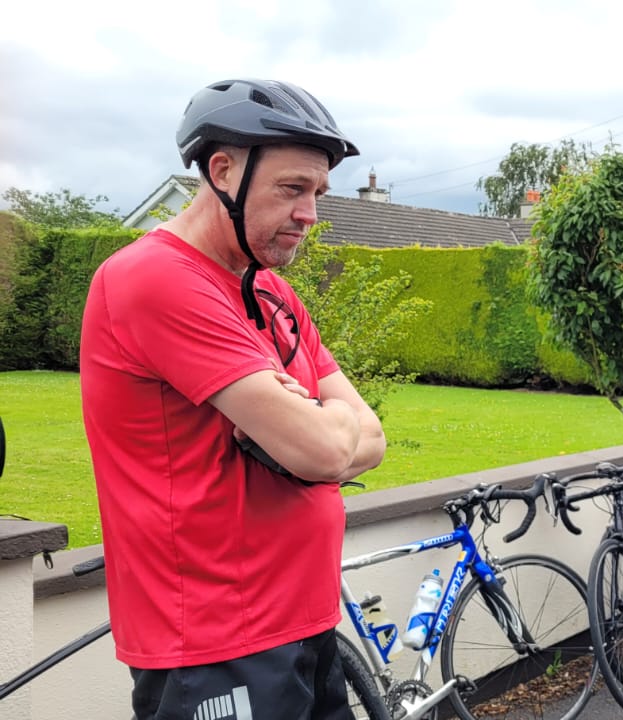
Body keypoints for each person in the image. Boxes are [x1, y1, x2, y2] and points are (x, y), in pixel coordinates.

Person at [79, 79, 386, 720]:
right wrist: (319, 427)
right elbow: (326, 449)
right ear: (223, 171)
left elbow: (367, 439)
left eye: (318, 193)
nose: (311, 212)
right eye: (292, 188)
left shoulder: (271, 292)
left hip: (306, 620)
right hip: (216, 642)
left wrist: (314, 428)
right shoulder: (154, 278)